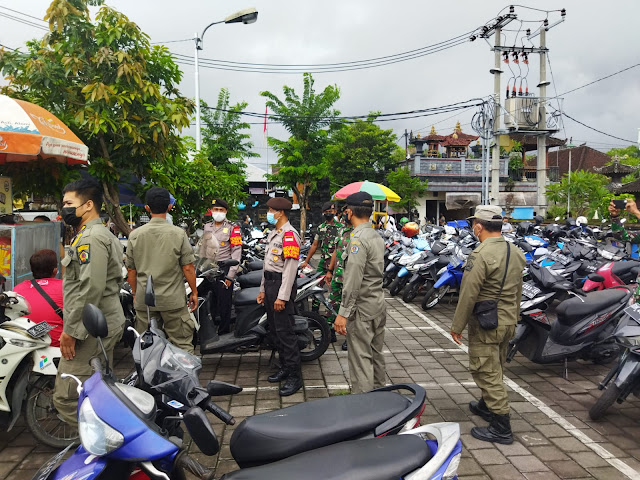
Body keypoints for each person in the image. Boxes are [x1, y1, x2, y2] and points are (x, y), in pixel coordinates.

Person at [450, 205, 526, 445]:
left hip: (486, 323)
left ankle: (502, 427)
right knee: (497, 365)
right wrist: (515, 317)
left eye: (474, 224)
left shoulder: (480, 254)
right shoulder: (515, 251)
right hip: (507, 320)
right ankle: (486, 406)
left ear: (479, 227)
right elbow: (517, 290)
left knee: (485, 371)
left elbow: (468, 293)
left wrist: (457, 326)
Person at [53, 178, 125, 427]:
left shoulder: (90, 238)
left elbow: (90, 289)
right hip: (101, 320)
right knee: (98, 388)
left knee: (67, 395)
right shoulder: (93, 234)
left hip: (90, 327)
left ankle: (103, 443)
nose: (65, 208)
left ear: (88, 205)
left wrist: (72, 332)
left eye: (69, 203)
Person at [126, 187, 198, 353]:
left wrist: (136, 293)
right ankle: (185, 378)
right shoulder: (179, 234)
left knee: (146, 346)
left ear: (147, 208)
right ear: (169, 207)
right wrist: (193, 292)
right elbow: (188, 267)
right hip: (172, 299)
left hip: (145, 300)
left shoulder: (135, 235)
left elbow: (131, 271)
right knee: (182, 344)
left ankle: (150, 378)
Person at [334, 192, 386, 394]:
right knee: (376, 354)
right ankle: (381, 396)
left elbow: (353, 280)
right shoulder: (375, 235)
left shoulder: (358, 240)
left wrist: (343, 313)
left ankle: (363, 406)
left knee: (360, 359)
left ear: (349, 212)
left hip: (362, 308)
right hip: (377, 304)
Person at [256, 197, 303, 397]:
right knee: (275, 331)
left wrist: (282, 297)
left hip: (281, 287)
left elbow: (290, 270)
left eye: (270, 210)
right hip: (270, 285)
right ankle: (284, 367)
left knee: (285, 333)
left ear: (280, 213)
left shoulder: (290, 235)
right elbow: (267, 266)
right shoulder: (274, 233)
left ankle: (295, 376)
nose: (268, 213)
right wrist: (262, 290)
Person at [200, 198, 242, 334]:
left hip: (224, 268)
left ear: (226, 212)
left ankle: (224, 331)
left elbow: (236, 251)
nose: (218, 212)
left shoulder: (232, 228)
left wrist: (230, 275)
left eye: (221, 210)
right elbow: (203, 248)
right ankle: (210, 331)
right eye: (215, 210)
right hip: (208, 269)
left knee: (224, 303)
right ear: (211, 211)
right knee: (210, 302)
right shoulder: (207, 227)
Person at [13, 249, 63, 347]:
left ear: (32, 269)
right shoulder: (64, 287)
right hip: (56, 347)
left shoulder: (18, 289)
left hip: (25, 346)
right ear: (55, 270)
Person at [325, 205, 353, 351]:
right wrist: (329, 270)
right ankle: (329, 333)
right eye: (344, 212)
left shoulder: (358, 233)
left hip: (350, 277)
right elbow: (336, 251)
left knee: (351, 307)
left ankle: (351, 338)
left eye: (347, 212)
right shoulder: (342, 229)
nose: (344, 215)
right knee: (331, 304)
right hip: (337, 275)